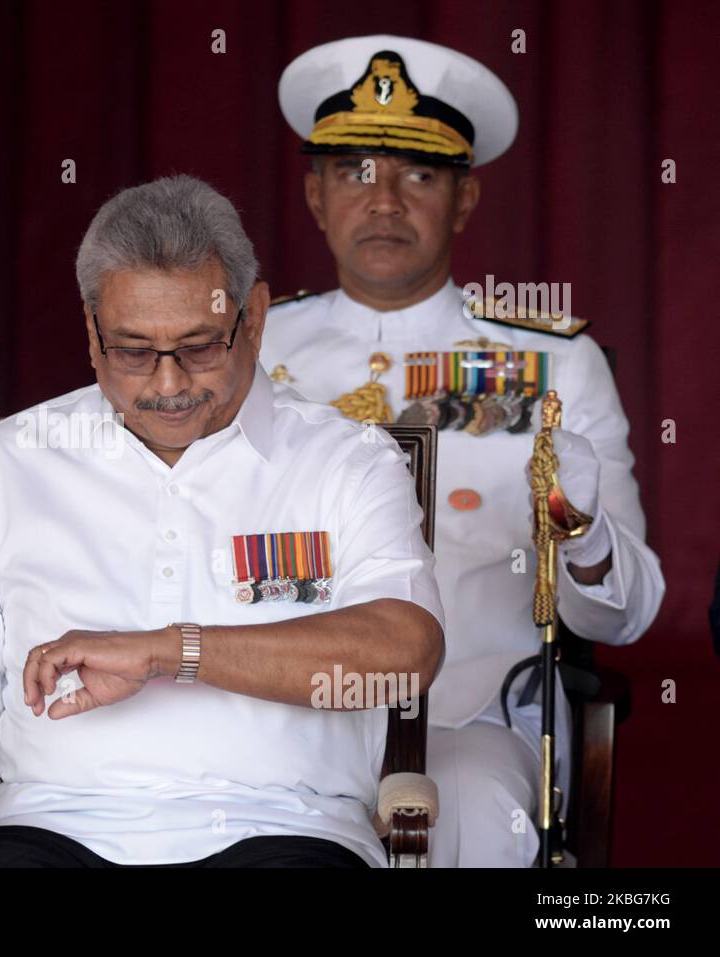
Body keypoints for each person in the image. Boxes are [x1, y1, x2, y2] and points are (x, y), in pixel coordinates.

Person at [0, 174, 445, 868]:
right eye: (133, 351)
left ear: (253, 317)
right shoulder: (14, 459)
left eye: (199, 347)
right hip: (52, 828)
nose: (167, 385)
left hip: (283, 826)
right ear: (90, 329)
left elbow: (405, 651)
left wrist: (172, 649)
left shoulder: (345, 460)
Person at [263, 35, 665, 866]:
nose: (383, 202)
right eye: (354, 172)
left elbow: (628, 614)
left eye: (418, 175)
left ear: (466, 198)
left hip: (462, 716)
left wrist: (577, 533)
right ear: (314, 194)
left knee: (477, 819)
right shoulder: (247, 350)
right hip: (269, 711)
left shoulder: (555, 366)